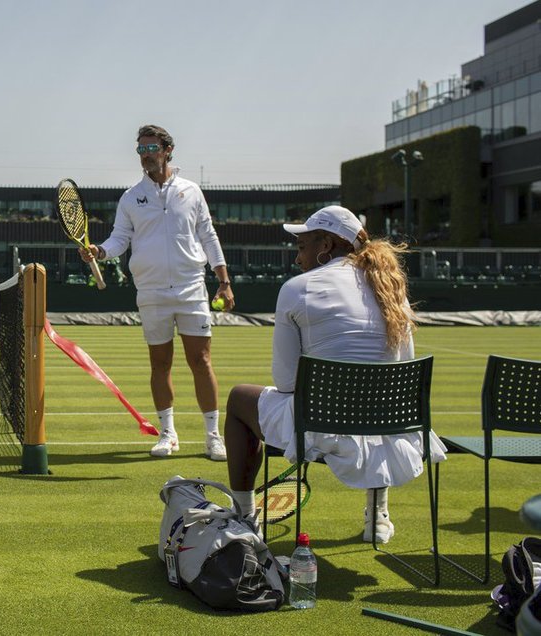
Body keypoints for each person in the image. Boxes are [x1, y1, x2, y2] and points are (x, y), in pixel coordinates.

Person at [223, 205, 446, 543]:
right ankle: (378, 517)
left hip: (319, 425)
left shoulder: (296, 288)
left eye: (302, 247)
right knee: (376, 408)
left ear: (325, 244)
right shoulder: (393, 290)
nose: (298, 259)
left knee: (239, 398)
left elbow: (285, 382)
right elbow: (402, 367)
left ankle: (244, 516)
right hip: (389, 425)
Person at [80, 124, 234, 461]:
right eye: (140, 150)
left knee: (201, 361)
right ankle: (168, 434)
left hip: (192, 288)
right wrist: (101, 251)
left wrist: (223, 280)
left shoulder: (192, 191)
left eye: (151, 149)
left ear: (167, 151)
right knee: (159, 364)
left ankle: (213, 436)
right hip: (150, 291)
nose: (145, 155)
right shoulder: (130, 197)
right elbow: (120, 238)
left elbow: (208, 236)